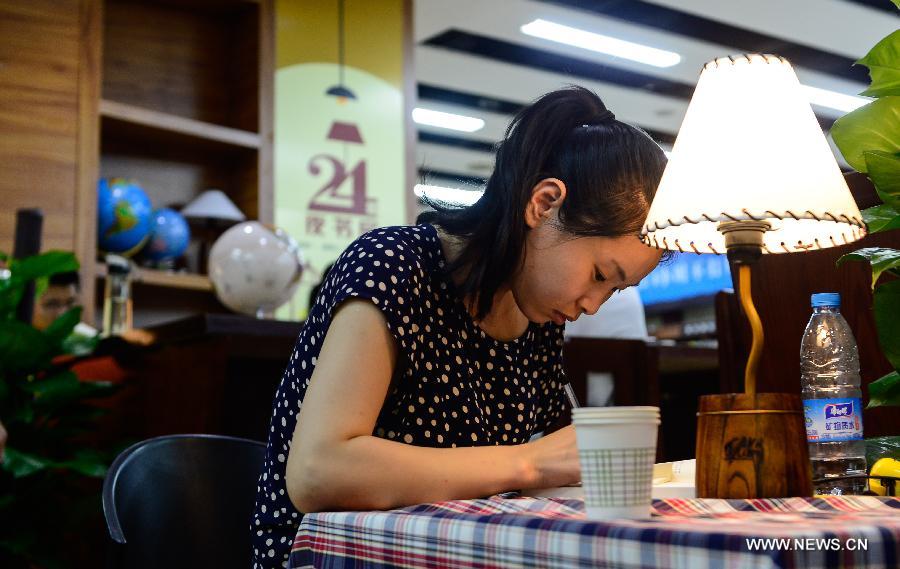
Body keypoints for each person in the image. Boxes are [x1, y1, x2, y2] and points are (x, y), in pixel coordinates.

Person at [251, 86, 669, 567]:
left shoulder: (535, 316)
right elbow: (316, 472)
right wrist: (530, 461)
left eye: (614, 291)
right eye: (600, 275)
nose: (594, 305)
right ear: (544, 203)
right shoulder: (393, 266)